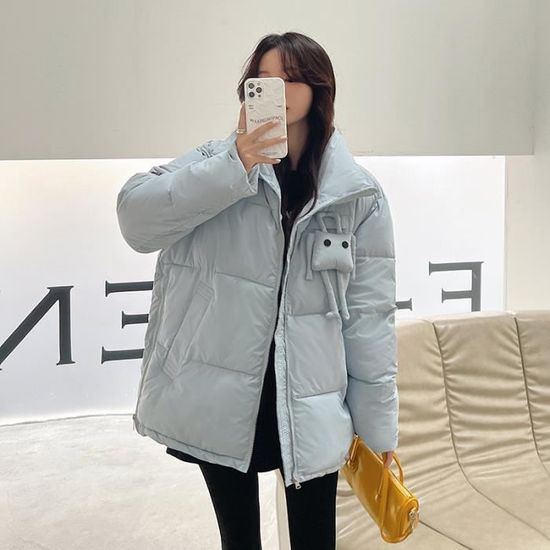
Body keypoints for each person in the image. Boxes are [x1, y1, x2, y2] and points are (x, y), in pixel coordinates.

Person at [117, 31, 398, 550]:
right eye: (264, 80)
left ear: (319, 89)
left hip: (311, 398)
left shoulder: (357, 194)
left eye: (291, 79)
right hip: (224, 394)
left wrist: (378, 429)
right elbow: (136, 220)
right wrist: (236, 164)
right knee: (239, 539)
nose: (276, 91)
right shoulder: (216, 162)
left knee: (316, 538)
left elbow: (369, 317)